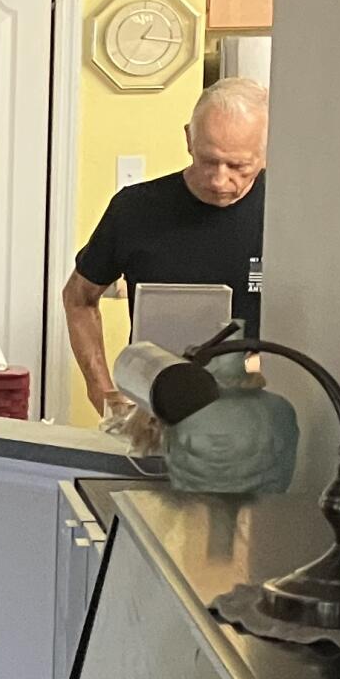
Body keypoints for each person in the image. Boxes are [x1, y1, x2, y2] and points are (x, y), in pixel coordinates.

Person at [61, 75, 269, 420]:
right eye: (208, 160)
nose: (220, 180)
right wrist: (103, 392)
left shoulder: (287, 216)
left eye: (238, 166)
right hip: (156, 409)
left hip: (254, 412)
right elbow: (78, 298)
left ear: (265, 152)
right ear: (188, 138)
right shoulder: (135, 209)